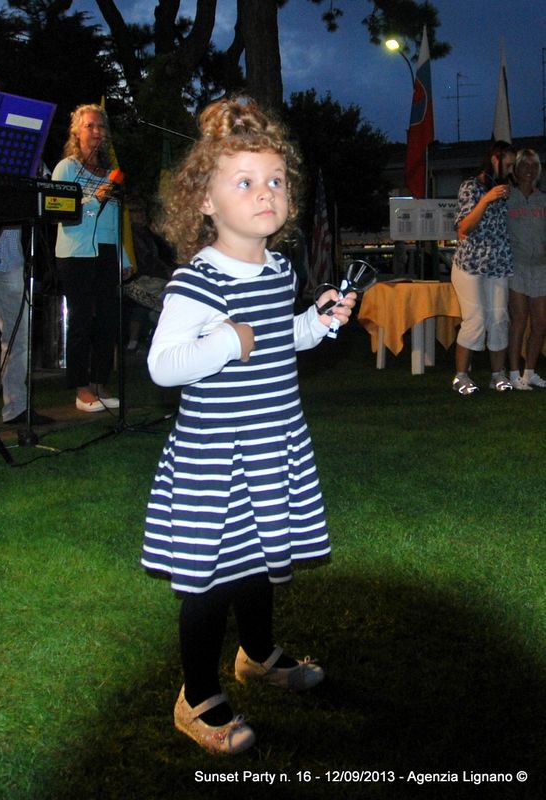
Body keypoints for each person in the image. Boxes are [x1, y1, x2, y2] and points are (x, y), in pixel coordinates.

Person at [141, 96, 355, 755]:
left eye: (275, 180)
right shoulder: (197, 281)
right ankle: (196, 694)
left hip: (270, 447)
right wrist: (225, 343)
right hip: (216, 459)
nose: (266, 193)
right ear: (205, 201)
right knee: (211, 582)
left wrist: (316, 323)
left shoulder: (278, 269)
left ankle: (257, 655)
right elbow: (163, 365)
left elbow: (275, 337)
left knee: (260, 563)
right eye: (245, 181)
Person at [52, 104, 131, 412]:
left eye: (101, 126)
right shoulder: (67, 168)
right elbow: (59, 210)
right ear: (77, 132)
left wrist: (123, 257)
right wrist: (93, 201)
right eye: (90, 126)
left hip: (108, 252)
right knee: (82, 321)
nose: (97, 131)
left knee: (109, 321)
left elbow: (114, 221)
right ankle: (81, 388)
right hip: (77, 253)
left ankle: (100, 382)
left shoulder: (112, 172)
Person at [450, 140, 517, 395]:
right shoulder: (471, 186)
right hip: (470, 265)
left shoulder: (505, 190)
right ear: (495, 160)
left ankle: (497, 375)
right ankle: (460, 376)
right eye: (508, 165)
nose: (510, 170)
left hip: (498, 265)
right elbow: (464, 227)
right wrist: (486, 199)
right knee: (475, 319)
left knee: (499, 319)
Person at [0, 225, 53, 426]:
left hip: (10, 262)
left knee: (19, 336)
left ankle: (16, 408)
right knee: (17, 337)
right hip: (8, 263)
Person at [506, 148, 546, 390]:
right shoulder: (507, 197)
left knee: (540, 322)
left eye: (534, 166)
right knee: (519, 319)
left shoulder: (543, 200)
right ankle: (513, 373)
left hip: (540, 267)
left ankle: (529, 372)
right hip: (516, 266)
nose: (529, 170)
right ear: (516, 169)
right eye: (525, 165)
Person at [124, 200, 175, 351]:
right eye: (135, 211)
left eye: (141, 211)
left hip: (152, 277)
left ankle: (140, 341)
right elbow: (145, 261)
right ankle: (135, 341)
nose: (140, 214)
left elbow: (158, 257)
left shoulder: (147, 233)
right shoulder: (130, 235)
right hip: (139, 279)